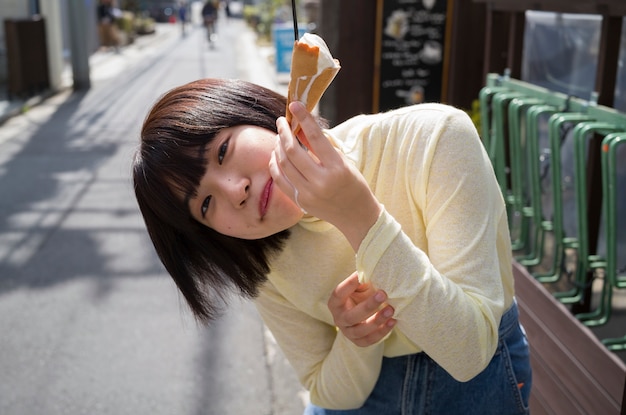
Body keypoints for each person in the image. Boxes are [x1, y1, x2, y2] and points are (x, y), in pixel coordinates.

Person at [133, 78, 532, 414]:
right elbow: (327, 391)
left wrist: (359, 217)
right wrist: (356, 337)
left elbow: (469, 352)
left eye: (222, 152)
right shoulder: (258, 259)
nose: (234, 191)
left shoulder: (432, 137)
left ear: (258, 114)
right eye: (205, 204)